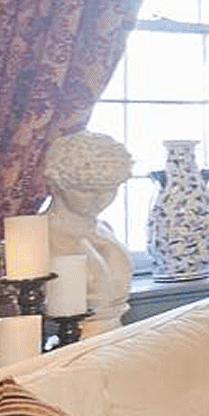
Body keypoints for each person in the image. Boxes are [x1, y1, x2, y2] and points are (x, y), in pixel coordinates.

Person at [42, 131, 134, 336]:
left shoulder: (106, 230)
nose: (101, 199)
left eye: (110, 189)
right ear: (56, 185)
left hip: (121, 336)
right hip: (72, 341)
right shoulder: (39, 237)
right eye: (87, 191)